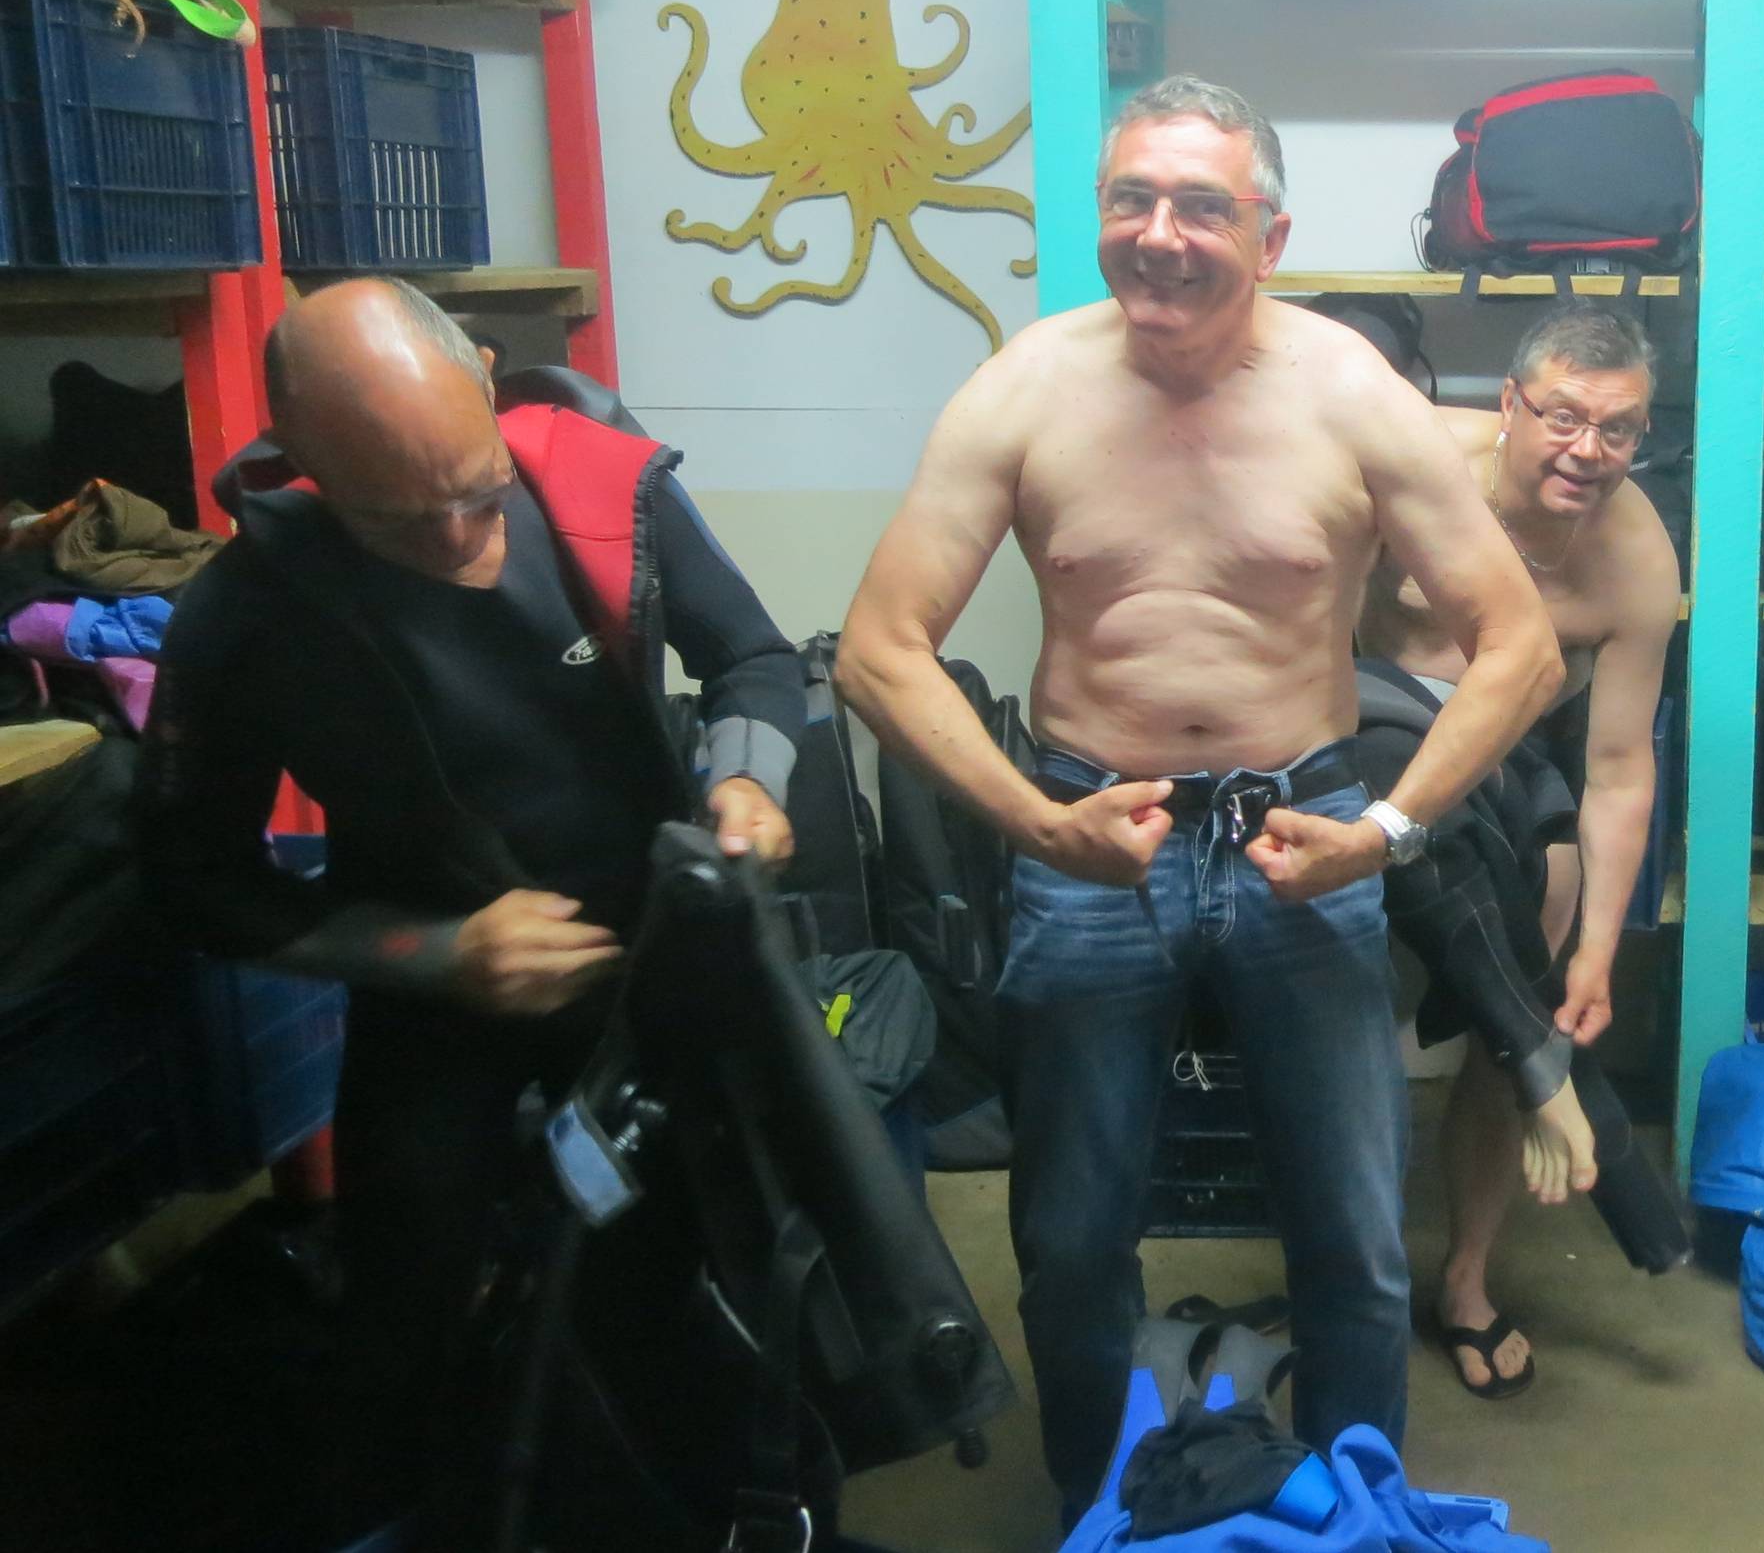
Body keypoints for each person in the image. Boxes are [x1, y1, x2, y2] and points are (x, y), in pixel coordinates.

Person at [834, 75, 1562, 1518]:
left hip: (1307, 836)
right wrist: (1037, 824)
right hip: (1090, 839)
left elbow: (1520, 645)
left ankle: (1355, 1514)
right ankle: (1100, 1518)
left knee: (1354, 1242)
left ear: (1269, 237)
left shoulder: (1351, 395)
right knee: (1071, 1241)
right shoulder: (1027, 387)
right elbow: (877, 649)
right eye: (1132, 200)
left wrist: (1384, 833)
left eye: (1200, 207)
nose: (1158, 235)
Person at [135, 277, 804, 1537]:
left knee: (674, 1281)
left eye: (476, 491)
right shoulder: (249, 610)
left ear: (485, 379)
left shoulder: (606, 495)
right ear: (300, 455)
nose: (456, 538)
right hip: (435, 992)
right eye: (400, 517)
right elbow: (190, 877)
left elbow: (756, 660)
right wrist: (436, 954)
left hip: (653, 951)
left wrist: (746, 781)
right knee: (402, 1305)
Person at [1352, 300, 1681, 1397]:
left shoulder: (1636, 559)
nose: (1589, 450)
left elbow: (1619, 768)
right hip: (1362, 725)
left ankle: (1468, 1276)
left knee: (1550, 899)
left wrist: (1599, 954)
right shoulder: (1417, 464)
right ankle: (1539, 1070)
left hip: (1508, 754)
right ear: (1509, 405)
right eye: (1565, 417)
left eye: (1619, 429)